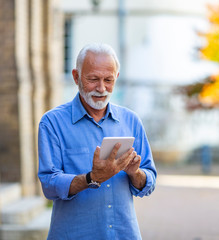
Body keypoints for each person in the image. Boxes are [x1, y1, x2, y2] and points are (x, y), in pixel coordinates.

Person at [38, 43, 157, 240]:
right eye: (93, 79)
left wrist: (135, 173)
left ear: (116, 78)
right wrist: (92, 178)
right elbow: (49, 185)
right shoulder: (52, 122)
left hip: (124, 234)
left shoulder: (131, 120)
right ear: (76, 77)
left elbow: (149, 181)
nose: (101, 88)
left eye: (108, 80)